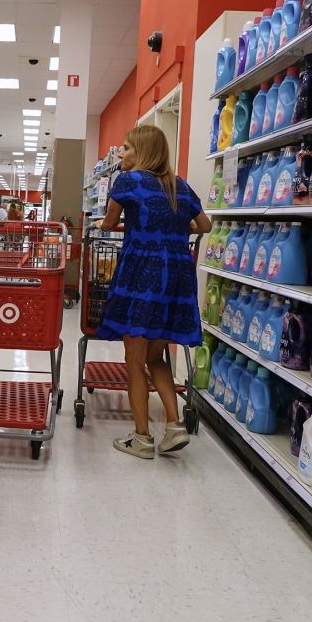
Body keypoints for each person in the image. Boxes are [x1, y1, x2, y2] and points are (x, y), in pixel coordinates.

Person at [97, 125, 211, 459]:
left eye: (128, 148)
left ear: (143, 152)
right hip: (175, 277)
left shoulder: (129, 181)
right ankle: (174, 426)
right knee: (156, 356)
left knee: (134, 360)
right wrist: (176, 228)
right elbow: (204, 226)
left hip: (141, 274)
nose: (122, 154)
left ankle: (142, 437)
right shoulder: (181, 186)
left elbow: (107, 223)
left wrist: (108, 225)